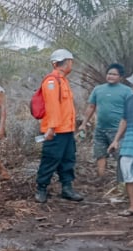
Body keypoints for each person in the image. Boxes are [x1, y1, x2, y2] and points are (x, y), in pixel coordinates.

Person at [34, 49, 83, 203]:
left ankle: (67, 188)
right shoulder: (51, 81)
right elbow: (53, 106)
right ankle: (41, 189)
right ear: (67, 62)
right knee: (50, 159)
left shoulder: (63, 80)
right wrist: (51, 128)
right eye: (71, 62)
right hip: (55, 131)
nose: (71, 65)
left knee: (68, 159)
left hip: (67, 130)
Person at [78, 63, 133, 178]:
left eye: (114, 74)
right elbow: (91, 107)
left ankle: (122, 182)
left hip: (119, 131)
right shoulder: (98, 89)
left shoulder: (127, 91)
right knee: (100, 154)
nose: (110, 76)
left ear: (120, 77)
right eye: (109, 74)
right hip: (100, 129)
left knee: (121, 156)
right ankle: (101, 178)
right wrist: (83, 124)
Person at [108, 72, 133, 216]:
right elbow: (124, 120)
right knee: (128, 173)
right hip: (130, 142)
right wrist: (116, 140)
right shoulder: (130, 99)